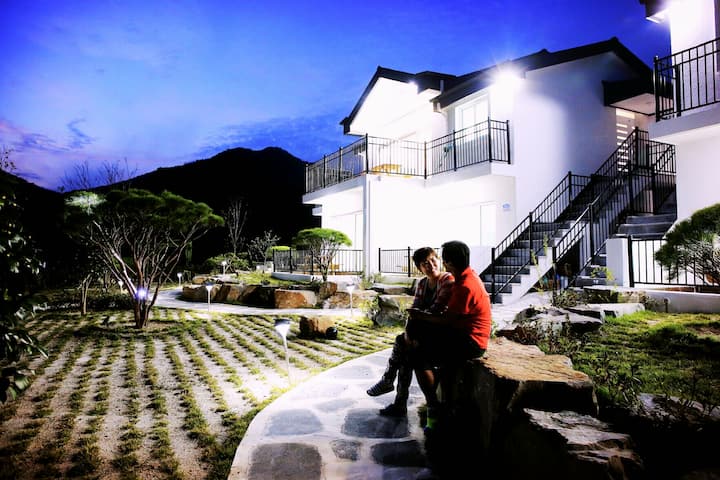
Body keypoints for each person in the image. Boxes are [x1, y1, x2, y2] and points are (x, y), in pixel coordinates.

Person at [407, 240, 492, 431]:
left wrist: (420, 316)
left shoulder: (465, 286)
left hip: (471, 341)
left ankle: (434, 407)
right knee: (414, 336)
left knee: (417, 356)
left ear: (449, 262)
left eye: (442, 259)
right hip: (462, 333)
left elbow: (446, 320)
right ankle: (435, 405)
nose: (440, 263)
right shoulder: (466, 276)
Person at [366, 247, 454, 417]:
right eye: (425, 263)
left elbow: (437, 310)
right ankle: (396, 396)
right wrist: (409, 333)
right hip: (424, 331)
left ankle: (391, 387)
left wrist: (417, 319)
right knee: (405, 348)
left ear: (438, 260)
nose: (430, 265)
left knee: (405, 348)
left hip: (441, 332)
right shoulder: (422, 283)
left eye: (433, 260)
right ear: (420, 268)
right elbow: (414, 311)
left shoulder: (447, 280)